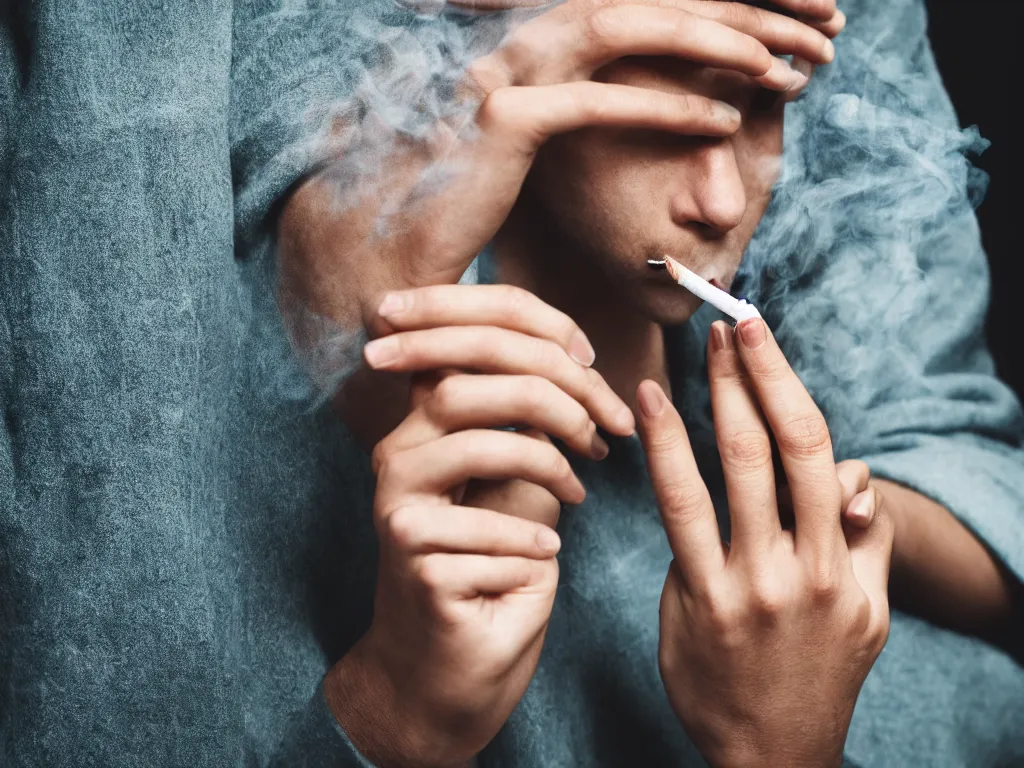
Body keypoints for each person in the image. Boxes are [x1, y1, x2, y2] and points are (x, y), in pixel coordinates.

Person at [1, 3, 1020, 768]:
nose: (721, 200)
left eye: (763, 106)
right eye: (667, 108)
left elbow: (960, 445)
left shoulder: (967, 706)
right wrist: (394, 712)